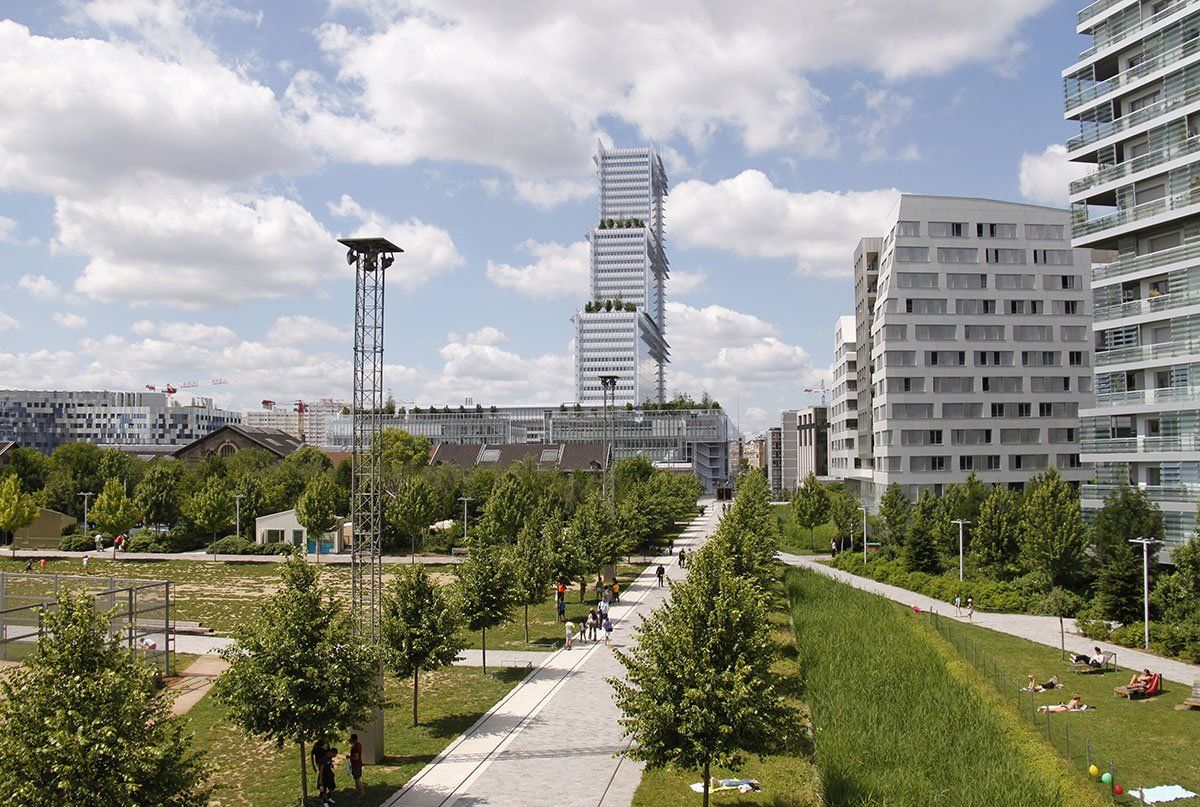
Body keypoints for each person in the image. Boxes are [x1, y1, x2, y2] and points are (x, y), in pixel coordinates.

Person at [348, 732, 364, 797]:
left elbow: (356, 757)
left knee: (357, 778)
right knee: (356, 777)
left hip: (356, 764)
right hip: (358, 763)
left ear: (352, 739)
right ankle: (357, 789)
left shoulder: (355, 747)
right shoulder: (359, 744)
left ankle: (362, 791)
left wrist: (349, 757)